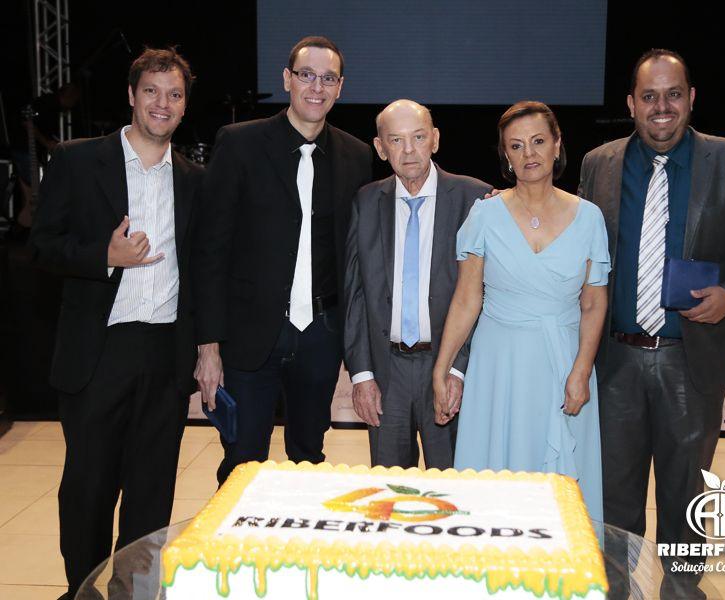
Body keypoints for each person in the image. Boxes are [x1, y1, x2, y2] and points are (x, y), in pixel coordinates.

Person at [578, 49, 725, 558]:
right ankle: (619, 586)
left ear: (691, 98)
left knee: (686, 494)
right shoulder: (599, 164)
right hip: (615, 361)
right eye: (649, 96)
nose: (661, 107)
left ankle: (681, 588)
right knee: (614, 496)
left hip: (691, 360)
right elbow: (576, 243)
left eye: (673, 94)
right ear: (631, 104)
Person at [29, 47, 202, 600]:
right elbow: (42, 246)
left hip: (165, 355)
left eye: (174, 94)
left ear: (184, 106)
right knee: (89, 489)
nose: (162, 103)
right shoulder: (78, 161)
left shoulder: (196, 180)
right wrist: (104, 257)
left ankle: (135, 592)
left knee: (152, 493)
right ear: (131, 95)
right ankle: (83, 590)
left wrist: (206, 350)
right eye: (151, 91)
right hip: (97, 353)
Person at [193, 36, 372, 485]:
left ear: (340, 87)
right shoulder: (240, 144)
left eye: (328, 78)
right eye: (307, 75)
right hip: (249, 337)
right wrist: (208, 346)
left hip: (321, 335)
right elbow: (210, 249)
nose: (317, 87)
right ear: (287, 79)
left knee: (308, 460)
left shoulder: (356, 155)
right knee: (242, 463)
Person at [432, 101, 609, 521]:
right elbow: (466, 299)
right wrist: (442, 368)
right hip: (499, 366)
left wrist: (582, 370)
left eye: (538, 141)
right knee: (498, 477)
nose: (529, 153)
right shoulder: (484, 214)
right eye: (516, 145)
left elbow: (593, 302)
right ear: (506, 156)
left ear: (557, 145)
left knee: (561, 491)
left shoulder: (589, 218)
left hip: (564, 363)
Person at [344, 99, 491, 468]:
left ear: (435, 140)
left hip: (447, 366)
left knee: (452, 485)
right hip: (386, 371)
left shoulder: (475, 199)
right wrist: (362, 374)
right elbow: (355, 294)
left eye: (419, 137)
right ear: (380, 148)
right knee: (391, 488)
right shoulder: (366, 201)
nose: (408, 150)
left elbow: (486, 295)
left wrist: (458, 369)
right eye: (396, 140)